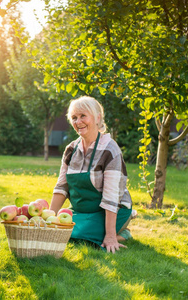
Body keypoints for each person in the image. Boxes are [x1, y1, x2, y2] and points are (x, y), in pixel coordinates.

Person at [50, 96, 136, 253]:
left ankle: (120, 233)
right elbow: (62, 186)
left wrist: (109, 236)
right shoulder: (71, 149)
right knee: (58, 230)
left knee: (80, 236)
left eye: (83, 116)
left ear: (97, 118)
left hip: (111, 209)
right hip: (82, 210)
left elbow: (111, 196)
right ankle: (100, 231)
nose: (78, 122)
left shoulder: (110, 149)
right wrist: (47, 219)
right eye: (74, 118)